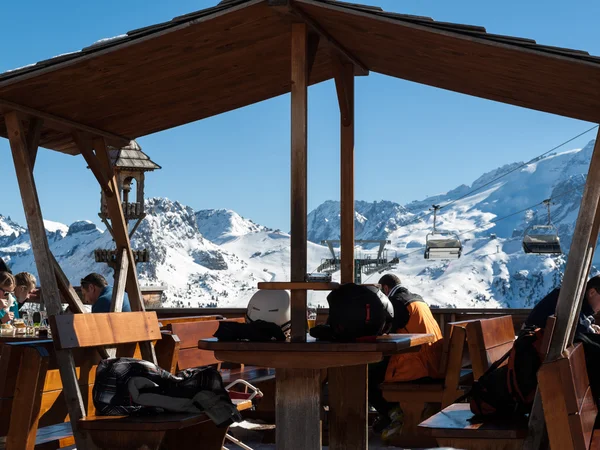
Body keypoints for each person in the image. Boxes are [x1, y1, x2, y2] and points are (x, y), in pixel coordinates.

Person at [369, 274, 444, 440]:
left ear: (385, 289)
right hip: (433, 363)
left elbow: (382, 330)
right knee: (376, 372)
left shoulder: (396, 303)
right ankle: (390, 416)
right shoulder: (417, 300)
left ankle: (394, 414)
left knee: (366, 377)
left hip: (417, 367)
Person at [525, 275, 600, 333]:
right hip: (532, 348)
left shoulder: (574, 299)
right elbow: (580, 329)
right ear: (592, 292)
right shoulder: (567, 299)